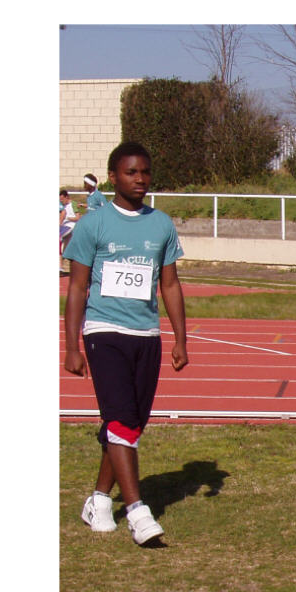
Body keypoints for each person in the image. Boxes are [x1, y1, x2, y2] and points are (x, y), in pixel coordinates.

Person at [63, 142, 189, 546]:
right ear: (113, 177)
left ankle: (99, 500)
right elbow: (77, 287)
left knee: (130, 425)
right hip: (104, 332)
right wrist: (71, 345)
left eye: (146, 172)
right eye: (131, 172)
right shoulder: (92, 224)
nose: (140, 179)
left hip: (146, 336)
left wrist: (179, 339)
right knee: (119, 418)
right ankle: (138, 512)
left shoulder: (162, 225)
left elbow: (169, 283)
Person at [59, 189, 78, 256]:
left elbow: (78, 217)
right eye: (60, 199)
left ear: (66, 197)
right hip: (64, 225)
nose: (61, 201)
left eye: (62, 199)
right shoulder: (62, 206)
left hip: (71, 226)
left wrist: (67, 218)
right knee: (65, 246)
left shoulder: (73, 204)